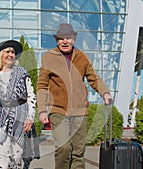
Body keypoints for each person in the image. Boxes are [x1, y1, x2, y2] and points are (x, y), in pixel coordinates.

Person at [37, 23, 112, 169]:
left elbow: (94, 78)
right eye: (61, 38)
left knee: (78, 152)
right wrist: (42, 110)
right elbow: (42, 86)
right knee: (63, 148)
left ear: (74, 38)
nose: (65, 41)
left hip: (80, 112)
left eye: (68, 38)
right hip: (58, 111)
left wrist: (105, 92)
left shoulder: (82, 57)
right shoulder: (49, 57)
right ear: (56, 40)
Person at [0, 40, 39, 169]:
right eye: (7, 51)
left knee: (16, 159)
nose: (11, 54)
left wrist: (30, 117)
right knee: (1, 161)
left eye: (13, 52)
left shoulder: (22, 73)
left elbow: (31, 96)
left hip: (19, 120)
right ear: (0, 55)